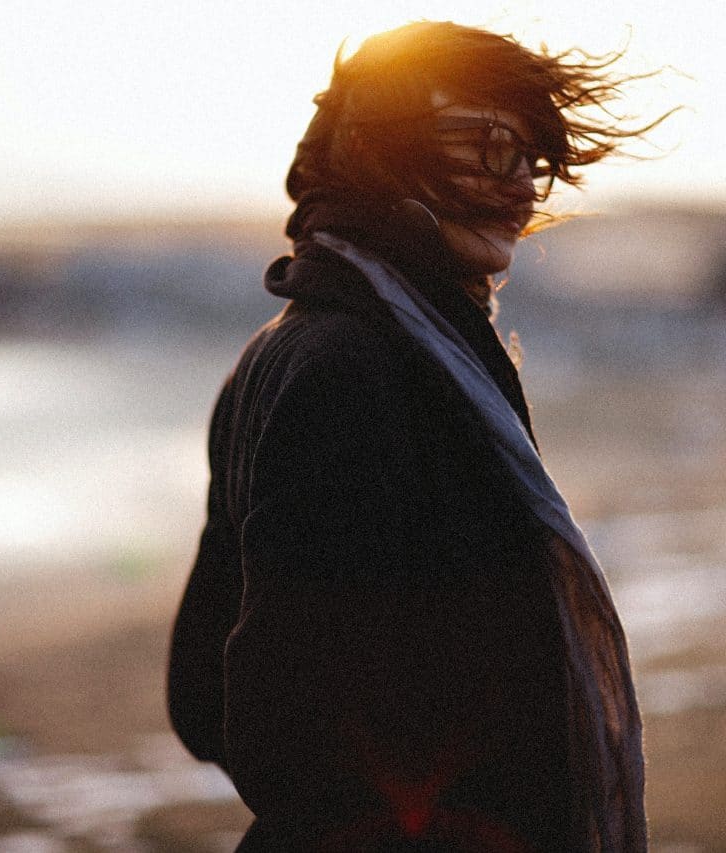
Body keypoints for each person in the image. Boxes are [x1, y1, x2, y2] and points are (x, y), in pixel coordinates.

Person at [168, 20, 658, 852]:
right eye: (489, 144)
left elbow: (199, 700)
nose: (522, 189)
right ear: (371, 147)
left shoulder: (304, 349)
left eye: (530, 159)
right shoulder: (359, 368)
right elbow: (281, 731)